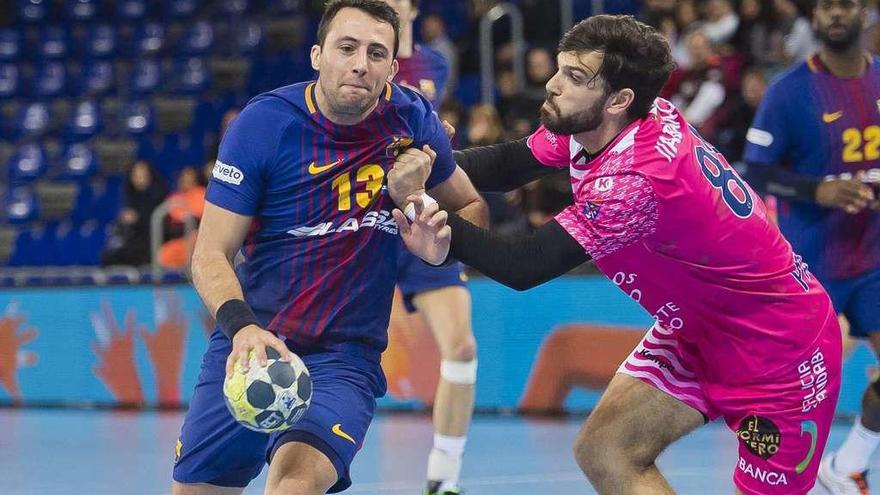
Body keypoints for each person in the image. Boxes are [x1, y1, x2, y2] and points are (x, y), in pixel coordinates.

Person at [386, 14, 842, 495]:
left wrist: (419, 206)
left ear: (620, 99)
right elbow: (508, 164)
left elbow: (524, 265)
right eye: (560, 68)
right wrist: (422, 163)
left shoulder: (637, 179)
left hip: (780, 352)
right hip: (698, 332)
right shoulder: (604, 121)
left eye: (575, 77)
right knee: (605, 450)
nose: (554, 84)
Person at [171, 1, 488, 494]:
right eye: (347, 48)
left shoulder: (412, 119)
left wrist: (441, 240)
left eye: (376, 53)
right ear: (317, 55)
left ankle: (443, 478)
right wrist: (243, 328)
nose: (361, 63)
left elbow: (470, 206)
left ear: (392, 68)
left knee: (294, 486)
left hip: (345, 356)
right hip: (254, 340)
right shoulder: (262, 126)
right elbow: (210, 253)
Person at [742, 1, 880, 492]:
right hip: (809, 262)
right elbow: (753, 172)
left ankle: (847, 467)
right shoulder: (788, 91)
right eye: (825, 6)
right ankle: (761, 481)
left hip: (873, 259)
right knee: (782, 390)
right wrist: (815, 190)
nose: (836, 14)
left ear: (865, 11)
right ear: (815, 17)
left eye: (845, 4)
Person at [384, 2, 476, 494]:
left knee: (461, 347)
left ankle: (444, 480)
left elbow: (434, 134)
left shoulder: (434, 65)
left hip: (423, 215)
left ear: (412, 7)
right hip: (365, 219)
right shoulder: (353, 59)